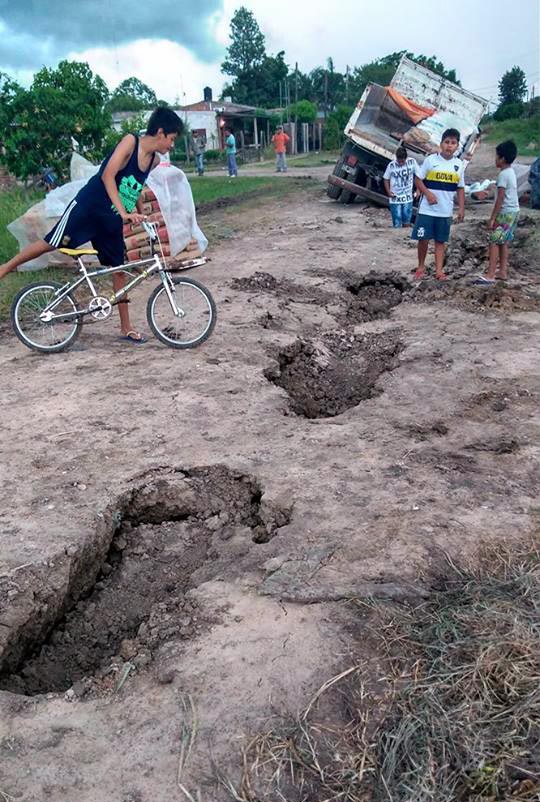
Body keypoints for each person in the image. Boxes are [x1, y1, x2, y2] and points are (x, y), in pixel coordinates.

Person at [0, 107, 183, 343]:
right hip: (89, 207)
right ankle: (6, 267)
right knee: (51, 242)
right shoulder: (130, 142)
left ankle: (125, 327)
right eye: (172, 139)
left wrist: (140, 213)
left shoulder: (154, 161)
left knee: (118, 269)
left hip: (111, 218)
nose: (172, 145)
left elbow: (135, 183)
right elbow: (107, 175)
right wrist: (125, 213)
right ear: (160, 132)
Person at [411, 128, 465, 281]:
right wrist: (427, 194)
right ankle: (421, 267)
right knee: (423, 239)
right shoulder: (431, 161)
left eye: (453, 143)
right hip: (427, 210)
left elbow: (460, 188)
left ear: (457, 146)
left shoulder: (459, 165)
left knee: (440, 242)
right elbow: (418, 179)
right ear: (441, 144)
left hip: (445, 211)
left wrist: (461, 208)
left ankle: (439, 272)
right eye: (447, 142)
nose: (449, 146)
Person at [474, 140, 520, 284]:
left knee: (494, 242)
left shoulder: (503, 175)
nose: (495, 159)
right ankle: (502, 272)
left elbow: (500, 199)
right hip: (514, 212)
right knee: (503, 242)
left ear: (502, 159)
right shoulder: (511, 172)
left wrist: (493, 218)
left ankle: (491, 274)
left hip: (505, 213)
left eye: (496, 156)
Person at [383, 145, 418, 227]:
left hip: (408, 198)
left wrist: (418, 190)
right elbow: (386, 179)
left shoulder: (412, 162)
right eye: (399, 161)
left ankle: (403, 238)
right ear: (396, 158)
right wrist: (388, 192)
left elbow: (419, 176)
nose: (401, 163)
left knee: (407, 222)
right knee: (397, 223)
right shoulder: (391, 165)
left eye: (403, 161)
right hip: (395, 198)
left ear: (406, 158)